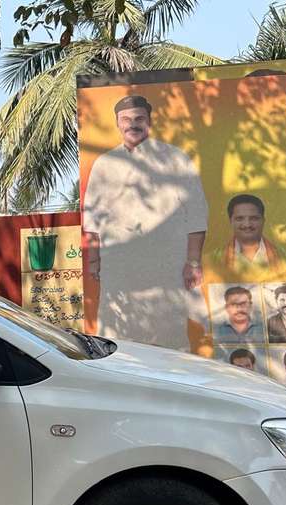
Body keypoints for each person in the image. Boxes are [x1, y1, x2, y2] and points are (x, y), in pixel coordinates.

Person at [82, 94, 208, 350]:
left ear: (150, 121)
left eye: (139, 118)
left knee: (170, 341)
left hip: (165, 269)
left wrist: (194, 262)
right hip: (120, 268)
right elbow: (93, 219)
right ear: (117, 123)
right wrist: (94, 261)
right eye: (126, 119)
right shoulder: (104, 163)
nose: (133, 124)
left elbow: (196, 214)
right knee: (119, 343)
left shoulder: (175, 158)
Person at [214, 194, 286, 278]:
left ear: (263, 221)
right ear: (231, 221)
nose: (247, 224)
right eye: (239, 219)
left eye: (254, 218)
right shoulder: (211, 262)